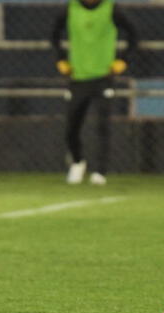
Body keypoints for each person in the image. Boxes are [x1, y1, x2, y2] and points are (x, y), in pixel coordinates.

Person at [51, 0, 137, 185]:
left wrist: (123, 60)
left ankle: (100, 171)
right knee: (72, 126)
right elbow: (54, 35)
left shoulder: (112, 8)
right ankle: (77, 162)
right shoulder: (70, 8)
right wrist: (61, 59)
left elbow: (134, 35)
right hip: (78, 77)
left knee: (102, 125)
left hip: (103, 77)